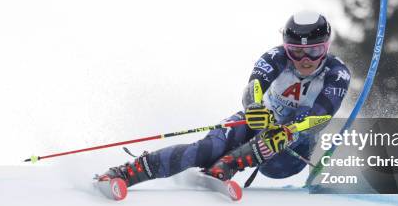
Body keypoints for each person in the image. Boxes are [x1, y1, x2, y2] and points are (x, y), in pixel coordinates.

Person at [98, 10, 351, 187]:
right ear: (286, 48)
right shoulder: (275, 58)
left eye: (315, 51)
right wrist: (253, 108)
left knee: (286, 131)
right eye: (296, 51)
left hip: (291, 154)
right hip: (262, 123)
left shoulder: (337, 73)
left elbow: (320, 117)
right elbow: (253, 88)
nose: (305, 60)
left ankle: (228, 164)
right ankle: (129, 172)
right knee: (208, 148)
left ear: (326, 47)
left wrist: (289, 129)